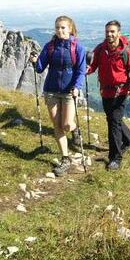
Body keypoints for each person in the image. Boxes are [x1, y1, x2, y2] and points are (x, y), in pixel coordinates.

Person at [31, 15, 86, 176]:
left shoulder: (78, 48)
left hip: (70, 92)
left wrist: (76, 87)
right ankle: (65, 158)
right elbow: (40, 68)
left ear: (70, 29)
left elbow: (81, 71)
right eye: (57, 27)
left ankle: (75, 130)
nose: (60, 30)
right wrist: (35, 61)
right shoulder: (50, 47)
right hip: (51, 91)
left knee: (67, 124)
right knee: (57, 126)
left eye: (63, 27)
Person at [87, 20, 130, 170]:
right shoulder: (100, 49)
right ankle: (129, 140)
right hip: (105, 91)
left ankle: (115, 158)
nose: (109, 34)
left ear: (119, 33)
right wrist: (87, 70)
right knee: (113, 119)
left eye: (112, 32)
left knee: (113, 123)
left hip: (120, 92)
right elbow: (94, 65)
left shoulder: (126, 52)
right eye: (107, 32)